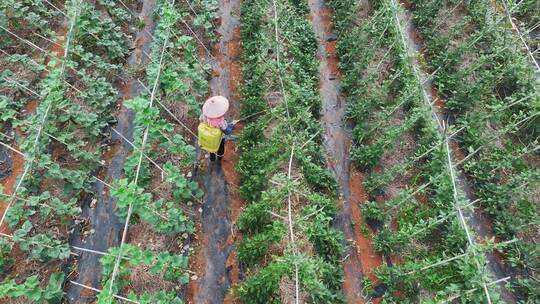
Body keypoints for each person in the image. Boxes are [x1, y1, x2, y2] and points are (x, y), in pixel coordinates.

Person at [199, 96, 235, 161]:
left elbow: (201, 121)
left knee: (211, 148)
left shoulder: (203, 116)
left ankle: (212, 159)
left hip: (209, 137)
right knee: (220, 148)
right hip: (219, 138)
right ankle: (219, 158)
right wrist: (231, 126)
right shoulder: (221, 122)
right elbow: (227, 132)